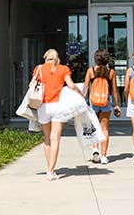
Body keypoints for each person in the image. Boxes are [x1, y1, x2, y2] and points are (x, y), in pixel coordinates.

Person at [33, 48, 83, 181]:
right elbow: (71, 86)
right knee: (55, 138)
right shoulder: (63, 69)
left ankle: (49, 167)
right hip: (58, 106)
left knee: (47, 138)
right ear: (57, 58)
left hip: (43, 106)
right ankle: (51, 171)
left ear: (46, 58)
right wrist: (81, 94)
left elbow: (32, 85)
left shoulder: (39, 69)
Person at [82, 49, 121, 165]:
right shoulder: (111, 72)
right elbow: (114, 90)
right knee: (104, 129)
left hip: (93, 102)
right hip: (106, 103)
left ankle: (95, 149)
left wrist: (82, 102)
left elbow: (85, 89)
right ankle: (104, 156)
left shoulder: (91, 71)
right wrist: (117, 104)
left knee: (94, 127)